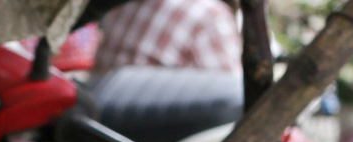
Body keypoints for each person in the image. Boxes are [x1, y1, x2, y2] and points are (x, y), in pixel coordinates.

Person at [90, 0, 241, 76]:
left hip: (99, 105)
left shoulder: (122, 5)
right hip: (149, 123)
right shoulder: (208, 15)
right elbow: (230, 91)